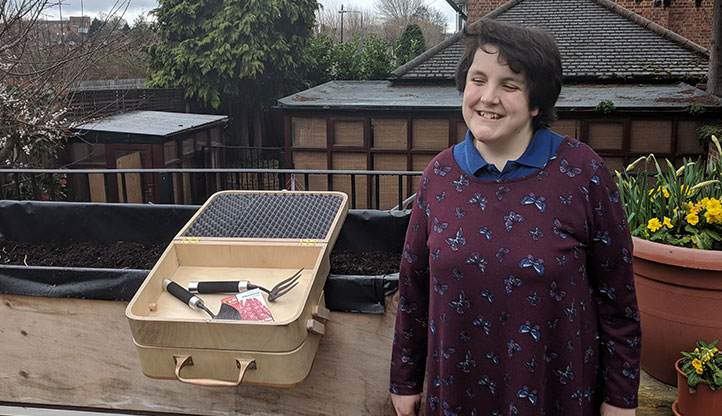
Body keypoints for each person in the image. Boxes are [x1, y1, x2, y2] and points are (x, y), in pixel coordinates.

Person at [389, 19, 641, 416]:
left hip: (556, 395)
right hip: (457, 392)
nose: (488, 97)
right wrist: (404, 379)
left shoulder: (582, 173)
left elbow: (618, 300)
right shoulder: (439, 176)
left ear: (536, 102)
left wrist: (620, 398)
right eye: (478, 79)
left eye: (509, 85)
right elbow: (413, 289)